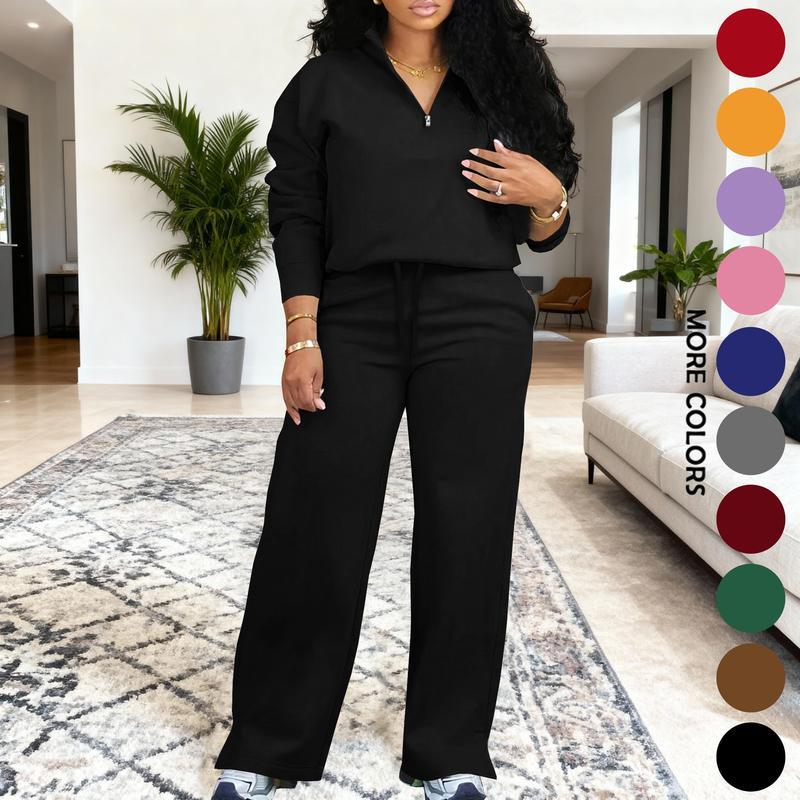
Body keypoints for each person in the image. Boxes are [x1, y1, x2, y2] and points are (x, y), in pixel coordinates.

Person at [211, 0, 579, 798]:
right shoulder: (324, 84)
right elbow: (297, 210)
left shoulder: (507, 79)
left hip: (478, 314)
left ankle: (451, 750)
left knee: (468, 527)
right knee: (314, 519)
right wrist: (301, 334)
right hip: (353, 316)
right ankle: (270, 741)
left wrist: (550, 196)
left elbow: (542, 227)